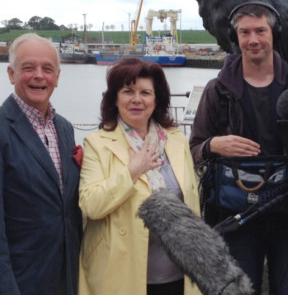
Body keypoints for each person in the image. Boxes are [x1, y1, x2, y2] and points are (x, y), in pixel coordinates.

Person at [189, 1, 288, 295]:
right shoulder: (217, 89)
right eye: (245, 32)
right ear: (236, 38)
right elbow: (193, 148)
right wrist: (214, 144)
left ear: (274, 34)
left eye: (260, 30)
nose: (253, 39)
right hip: (236, 217)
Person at [0, 33, 81, 295]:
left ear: (57, 77)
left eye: (47, 69)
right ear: (11, 73)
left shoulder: (64, 129)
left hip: (66, 278)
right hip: (18, 283)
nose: (39, 75)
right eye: (28, 68)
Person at [79, 58, 202, 295]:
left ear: (156, 100)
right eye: (128, 91)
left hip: (179, 272)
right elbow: (90, 205)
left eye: (145, 92)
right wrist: (132, 171)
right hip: (121, 273)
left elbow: (192, 203)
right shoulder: (97, 144)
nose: (137, 99)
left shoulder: (175, 140)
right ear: (114, 98)